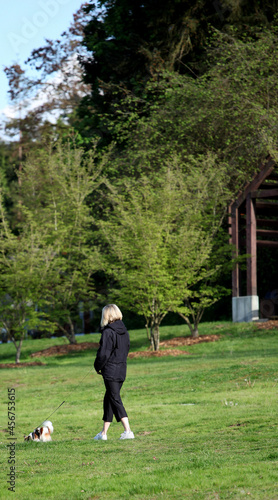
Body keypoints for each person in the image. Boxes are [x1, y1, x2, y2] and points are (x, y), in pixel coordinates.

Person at [93, 304, 134, 440]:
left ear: (106, 315)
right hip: (122, 369)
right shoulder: (125, 331)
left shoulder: (108, 332)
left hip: (111, 370)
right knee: (109, 398)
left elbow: (103, 353)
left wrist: (97, 366)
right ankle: (103, 433)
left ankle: (128, 431)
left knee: (115, 398)